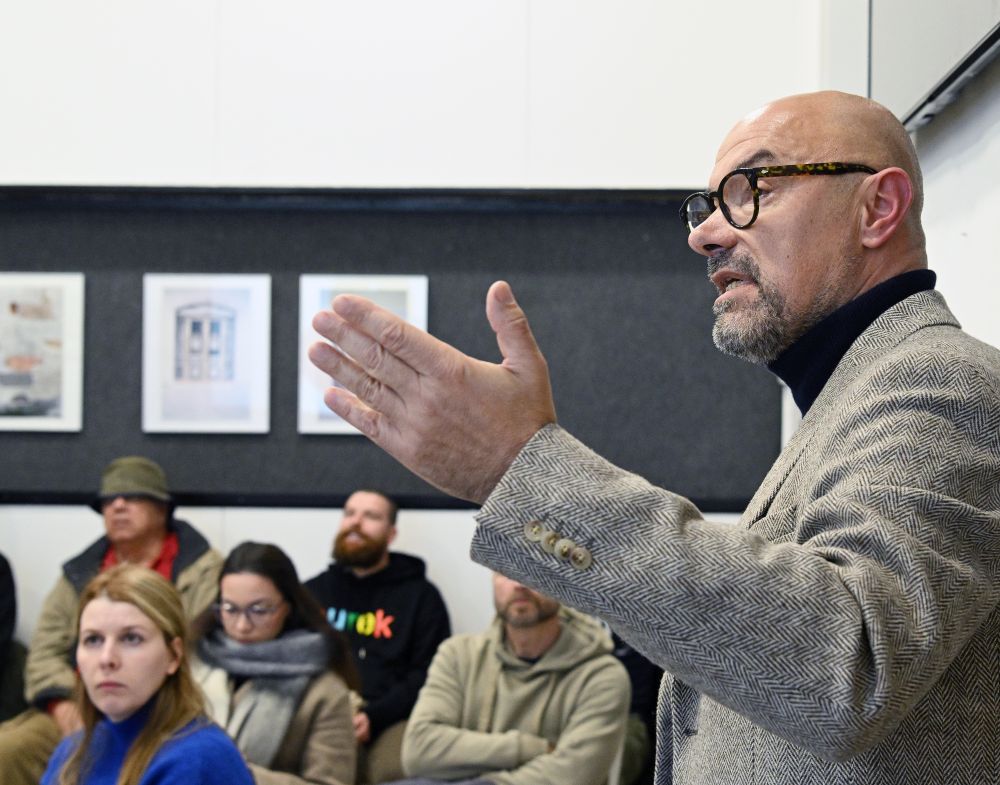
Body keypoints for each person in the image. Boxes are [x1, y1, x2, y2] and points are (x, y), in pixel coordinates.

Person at [307, 89, 1000, 785]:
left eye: (751, 189)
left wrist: (516, 466)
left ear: (878, 207)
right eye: (708, 206)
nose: (705, 235)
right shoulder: (844, 401)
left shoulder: (943, 380)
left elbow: (846, 663)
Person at [0, 456, 223, 785]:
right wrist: (65, 703)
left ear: (162, 509)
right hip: (77, 702)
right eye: (108, 501)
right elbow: (45, 652)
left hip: (162, 706)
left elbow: (200, 648)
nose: (118, 506)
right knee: (8, 750)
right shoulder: (78, 573)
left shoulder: (203, 570)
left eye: (132, 497)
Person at [394, 573, 629, 785]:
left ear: (561, 580)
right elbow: (418, 751)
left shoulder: (602, 675)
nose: (518, 583)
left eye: (533, 569)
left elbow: (572, 775)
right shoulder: (457, 655)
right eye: (504, 570)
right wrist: (530, 748)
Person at [41, 563, 253, 785]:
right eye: (93, 639)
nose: (106, 659)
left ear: (174, 656)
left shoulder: (198, 758)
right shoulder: (72, 751)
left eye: (131, 638)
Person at [304, 489, 451, 784]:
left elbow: (429, 674)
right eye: (349, 513)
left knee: (392, 771)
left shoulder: (421, 597)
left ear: (391, 533)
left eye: (371, 516)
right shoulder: (311, 593)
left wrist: (374, 716)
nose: (356, 523)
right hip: (322, 709)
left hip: (391, 718)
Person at [194, 541, 360, 785]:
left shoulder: (324, 691)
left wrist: (241, 774)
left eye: (259, 610)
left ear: (288, 608)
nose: (242, 625)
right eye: (230, 609)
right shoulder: (194, 663)